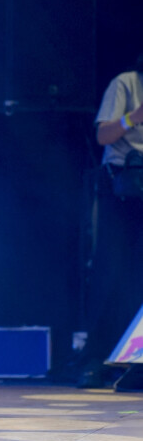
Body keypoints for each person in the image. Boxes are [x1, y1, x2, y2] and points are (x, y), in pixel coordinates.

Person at [79, 55, 143, 389]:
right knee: (112, 272)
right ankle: (97, 358)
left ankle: (136, 361)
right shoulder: (126, 83)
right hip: (122, 187)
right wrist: (134, 117)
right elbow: (104, 135)